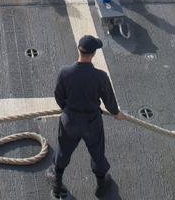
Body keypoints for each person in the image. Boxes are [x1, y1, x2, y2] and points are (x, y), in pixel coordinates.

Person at [49, 36, 121, 199]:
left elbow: (59, 96)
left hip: (70, 122)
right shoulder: (100, 76)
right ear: (93, 54)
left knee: (63, 151)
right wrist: (116, 113)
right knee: (97, 153)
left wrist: (67, 110)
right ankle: (101, 185)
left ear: (78, 50)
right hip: (92, 123)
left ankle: (58, 184)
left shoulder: (64, 73)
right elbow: (109, 99)